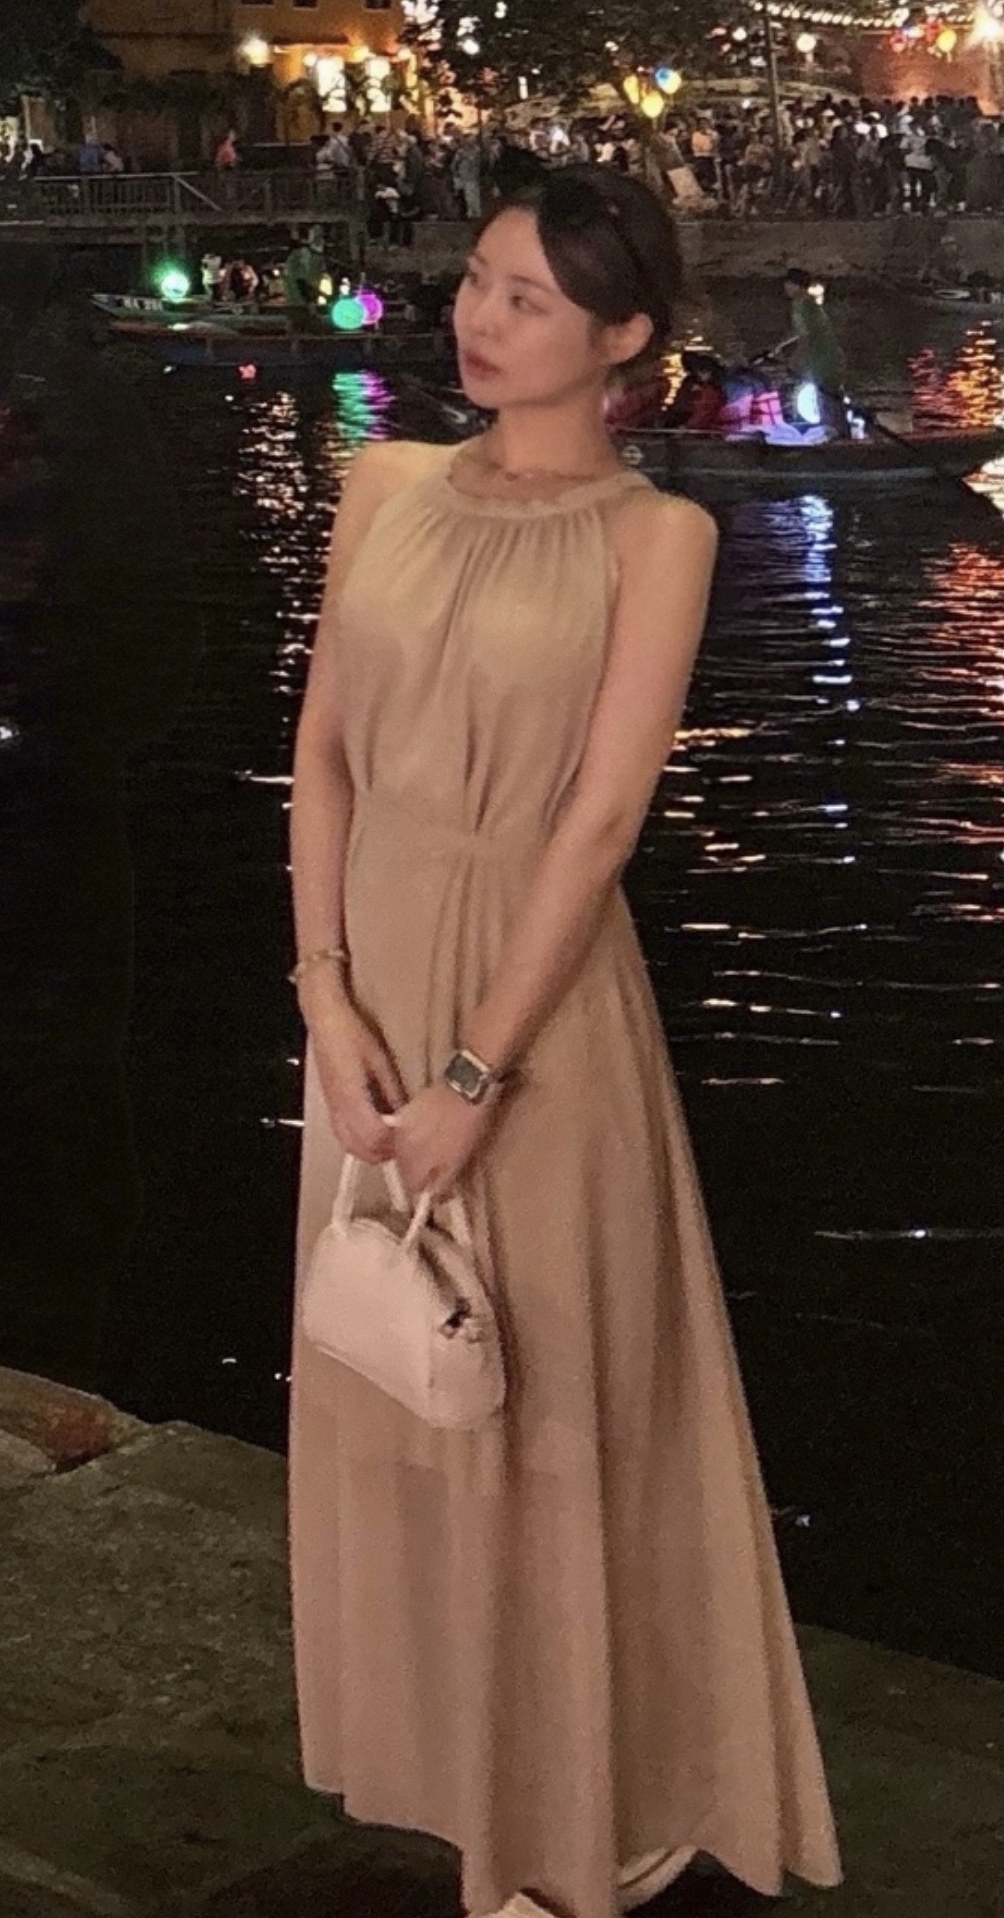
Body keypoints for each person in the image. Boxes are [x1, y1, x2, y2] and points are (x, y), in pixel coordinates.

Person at [287, 165, 842, 1918]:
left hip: (534, 1010)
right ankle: (461, 1772)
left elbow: (600, 824)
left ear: (623, 338)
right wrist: (323, 992)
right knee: (400, 1377)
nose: (479, 316)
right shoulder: (382, 483)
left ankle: (580, 1807)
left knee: (550, 1397)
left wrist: (475, 1071)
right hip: (369, 987)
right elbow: (323, 753)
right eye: (476, 279)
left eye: (527, 297)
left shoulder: (655, 537)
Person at [773, 269, 848, 437]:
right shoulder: (809, 303)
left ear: (797, 286)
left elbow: (805, 338)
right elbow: (800, 331)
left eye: (788, 284)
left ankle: (834, 436)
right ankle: (842, 433)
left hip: (821, 359)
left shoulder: (800, 305)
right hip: (831, 357)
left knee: (826, 399)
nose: (785, 288)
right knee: (833, 398)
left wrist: (794, 360)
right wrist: (779, 345)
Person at [664, 347, 727, 432]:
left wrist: (686, 427)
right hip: (694, 425)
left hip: (701, 430)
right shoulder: (700, 387)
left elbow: (703, 414)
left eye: (701, 371)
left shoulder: (710, 392)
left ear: (710, 373)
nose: (698, 374)